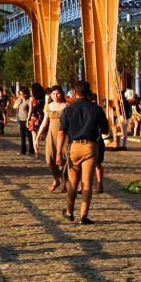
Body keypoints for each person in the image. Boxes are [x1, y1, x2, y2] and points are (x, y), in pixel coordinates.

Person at [57, 81, 109, 224]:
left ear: (74, 91)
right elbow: (105, 130)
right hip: (91, 147)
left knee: (73, 182)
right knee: (87, 183)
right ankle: (84, 215)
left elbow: (61, 133)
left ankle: (69, 212)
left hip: (74, 147)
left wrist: (58, 154)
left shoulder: (68, 110)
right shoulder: (96, 109)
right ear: (88, 92)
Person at [37, 85, 67, 192]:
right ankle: (56, 179)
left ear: (62, 94)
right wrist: (37, 137)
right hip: (52, 135)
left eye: (57, 93)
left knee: (64, 160)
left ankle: (64, 183)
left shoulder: (67, 106)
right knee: (49, 160)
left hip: (65, 135)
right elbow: (44, 122)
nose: (55, 96)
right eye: (53, 94)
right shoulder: (48, 106)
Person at [14, 88, 34, 155]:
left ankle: (31, 149)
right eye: (19, 94)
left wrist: (28, 119)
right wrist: (18, 101)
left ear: (25, 94)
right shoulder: (20, 101)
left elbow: (30, 110)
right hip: (21, 120)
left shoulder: (28, 101)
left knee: (29, 135)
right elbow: (14, 107)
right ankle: (23, 150)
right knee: (22, 136)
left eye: (21, 94)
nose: (20, 95)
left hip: (26, 119)